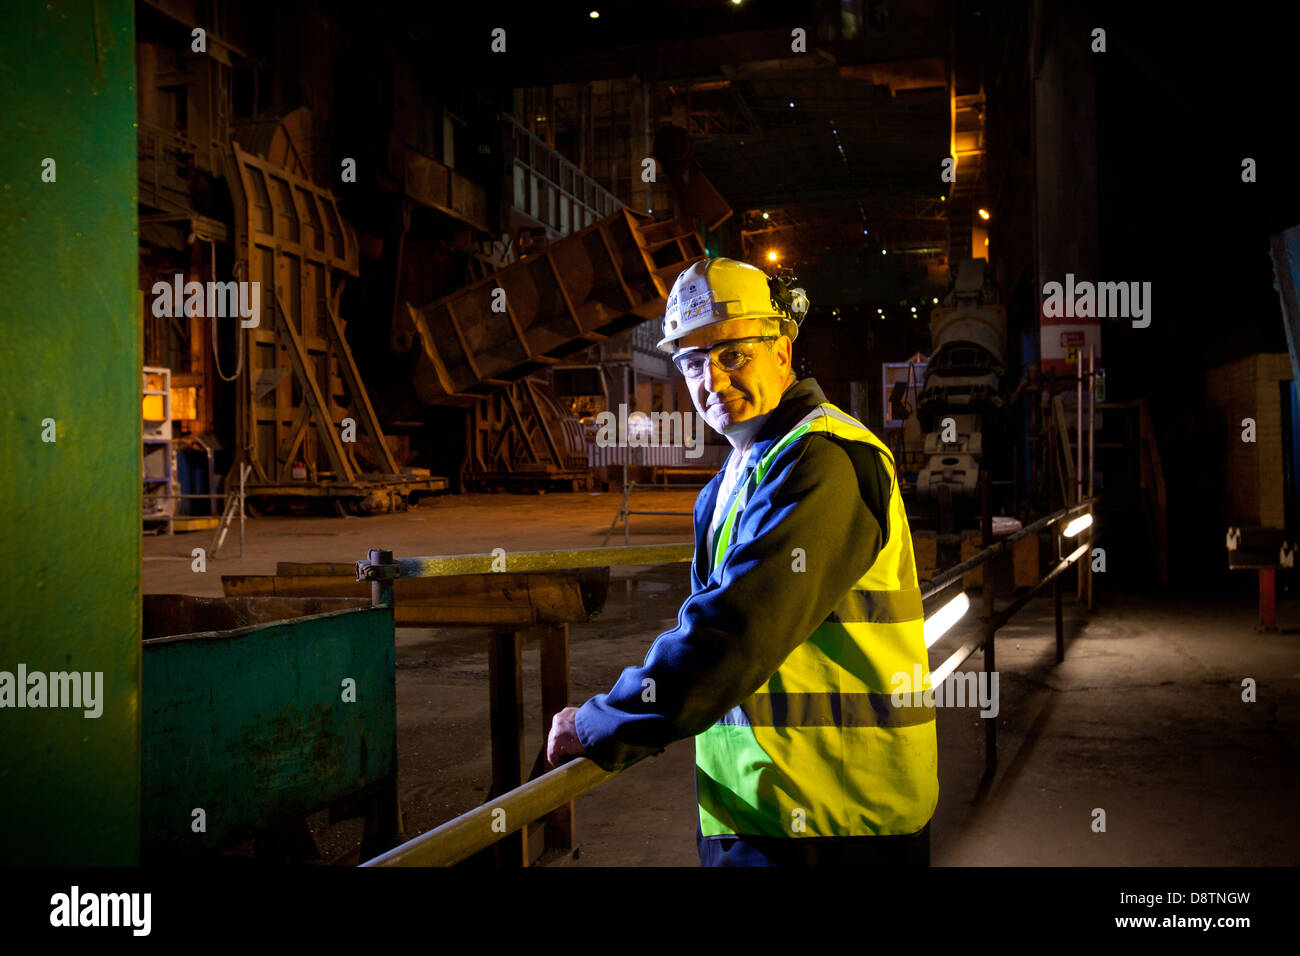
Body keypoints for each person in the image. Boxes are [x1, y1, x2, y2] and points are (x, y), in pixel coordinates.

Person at [546, 257, 938, 866]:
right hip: (760, 811)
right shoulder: (740, 475)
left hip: (838, 823)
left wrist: (602, 723)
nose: (713, 380)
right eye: (694, 361)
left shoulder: (823, 462)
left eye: (733, 355)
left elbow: (734, 631)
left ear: (783, 352)